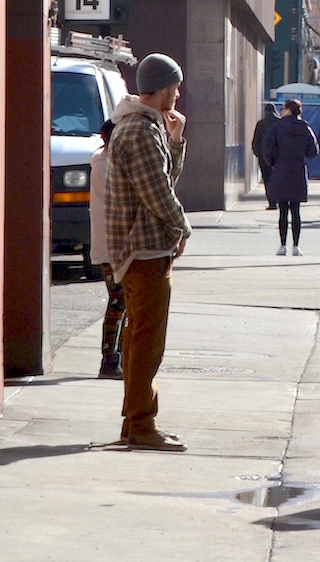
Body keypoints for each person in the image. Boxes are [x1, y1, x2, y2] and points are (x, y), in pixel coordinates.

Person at [105, 52, 191, 451]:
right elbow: (158, 194)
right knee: (147, 342)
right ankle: (142, 425)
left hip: (144, 247)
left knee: (141, 340)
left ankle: (135, 421)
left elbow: (163, 181)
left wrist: (175, 143)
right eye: (174, 85)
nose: (178, 92)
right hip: (144, 250)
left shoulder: (144, 127)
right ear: (161, 87)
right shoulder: (139, 131)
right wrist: (184, 226)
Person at [90, 119, 125, 380]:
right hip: (112, 246)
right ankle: (109, 360)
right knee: (118, 300)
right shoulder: (105, 166)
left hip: (114, 245)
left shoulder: (107, 163)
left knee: (123, 302)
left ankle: (117, 358)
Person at [262, 98, 319, 256]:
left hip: (281, 170)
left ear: (288, 110)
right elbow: (313, 151)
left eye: (283, 109)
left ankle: (282, 245)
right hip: (298, 171)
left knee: (283, 211)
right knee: (296, 210)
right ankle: (296, 246)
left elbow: (266, 149)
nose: (281, 111)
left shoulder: (276, 128)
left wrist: (274, 163)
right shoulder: (305, 128)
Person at [251, 102, 277, 209]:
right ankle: (281, 200)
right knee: (279, 179)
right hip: (278, 158)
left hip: (264, 158)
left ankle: (272, 202)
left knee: (267, 179)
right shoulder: (279, 123)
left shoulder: (260, 124)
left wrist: (259, 155)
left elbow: (255, 142)